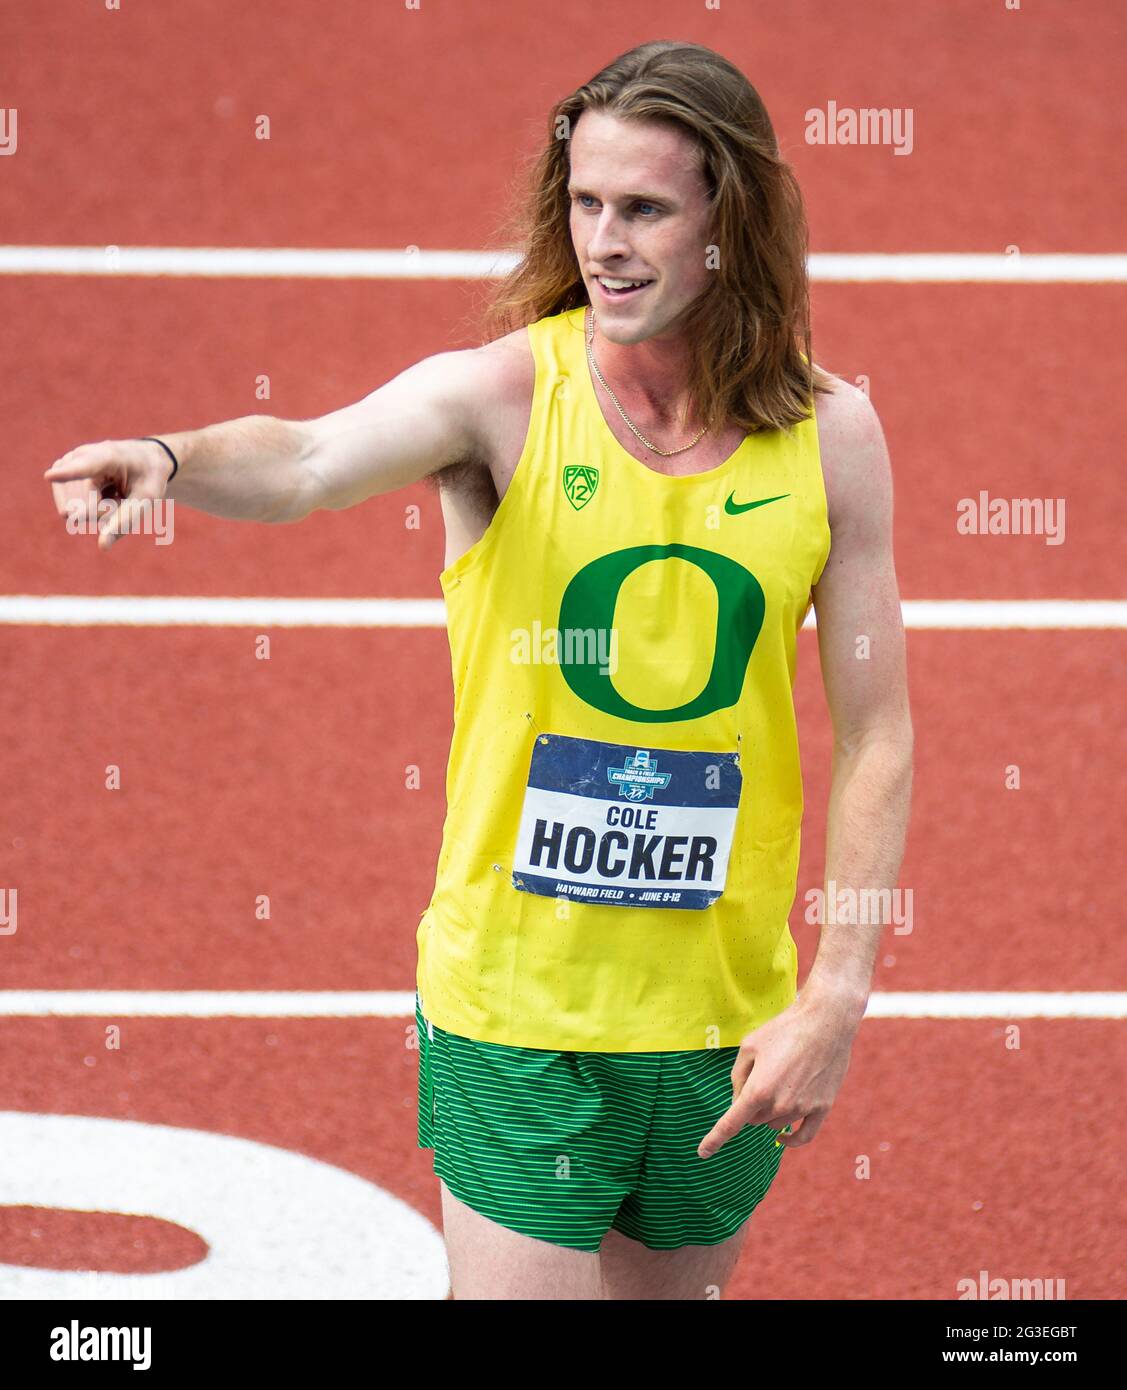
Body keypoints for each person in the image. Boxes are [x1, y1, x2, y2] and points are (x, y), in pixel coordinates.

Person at [44, 40, 913, 1300]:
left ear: (734, 219)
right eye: (585, 204)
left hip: (720, 1012)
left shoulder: (831, 436)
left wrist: (834, 995)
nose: (604, 242)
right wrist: (169, 456)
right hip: (517, 1007)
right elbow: (298, 461)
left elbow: (877, 727)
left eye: (646, 210)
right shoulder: (501, 397)